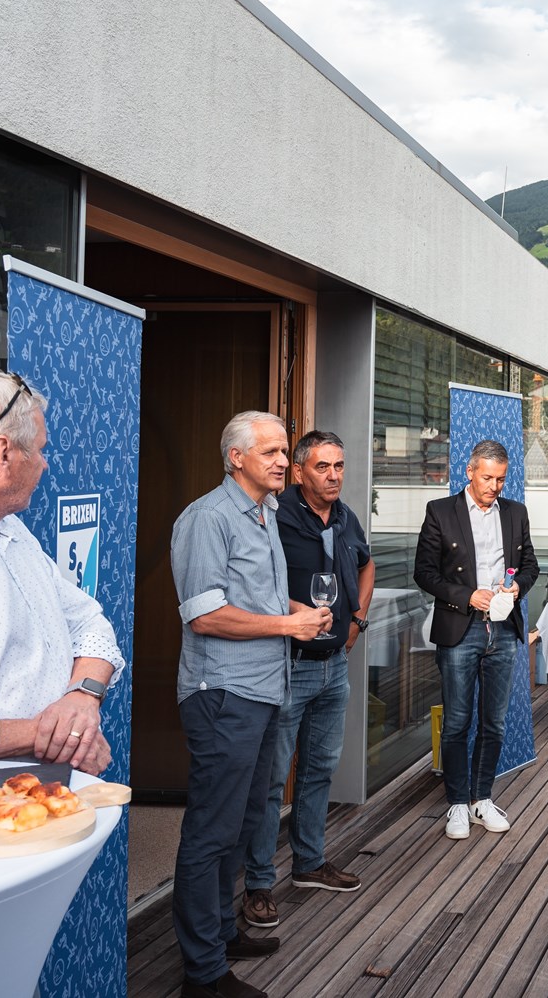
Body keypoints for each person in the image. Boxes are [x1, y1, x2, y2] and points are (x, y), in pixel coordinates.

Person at [171, 411, 332, 998]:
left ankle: (217, 934)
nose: (283, 462)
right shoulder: (207, 518)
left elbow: (254, 598)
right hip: (224, 696)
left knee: (240, 828)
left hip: (265, 691)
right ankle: (203, 973)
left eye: (285, 452)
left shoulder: (264, 513)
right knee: (211, 832)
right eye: (269, 452)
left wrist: (298, 613)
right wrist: (288, 625)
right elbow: (206, 614)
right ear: (235, 457)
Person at [242, 431, 374, 930]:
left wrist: (356, 621)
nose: (334, 475)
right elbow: (253, 587)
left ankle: (308, 864)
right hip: (286, 665)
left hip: (332, 667)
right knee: (271, 779)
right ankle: (257, 884)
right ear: (299, 472)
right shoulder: (273, 517)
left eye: (339, 466)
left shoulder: (345, 517)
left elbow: (367, 564)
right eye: (323, 467)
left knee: (320, 769)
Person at [0, 369, 124, 775]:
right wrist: (66, 735)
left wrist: (82, 696)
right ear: (3, 452)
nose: (44, 465)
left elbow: (89, 623)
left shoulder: (15, 532)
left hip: (43, 790)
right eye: (39, 450)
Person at [413, 439, 539, 840]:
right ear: (469, 472)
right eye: (487, 477)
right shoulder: (440, 512)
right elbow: (424, 573)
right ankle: (456, 804)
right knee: (456, 722)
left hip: (503, 628)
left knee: (494, 722)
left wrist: (517, 586)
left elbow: (531, 564)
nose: (494, 486)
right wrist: (466, 595)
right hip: (459, 628)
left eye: (501, 479)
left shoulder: (516, 513)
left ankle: (482, 798)